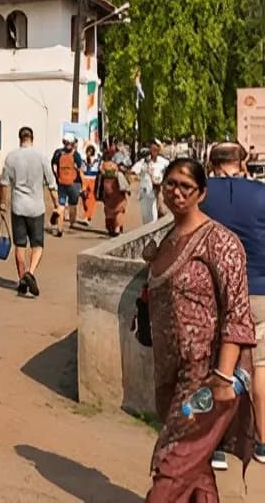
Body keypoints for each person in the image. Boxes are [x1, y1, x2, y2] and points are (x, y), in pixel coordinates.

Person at [143, 158, 256, 501]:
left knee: (171, 463)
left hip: (206, 378)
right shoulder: (168, 238)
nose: (176, 193)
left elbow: (238, 313)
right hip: (172, 374)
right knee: (196, 468)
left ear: (202, 193)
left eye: (185, 186)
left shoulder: (220, 243)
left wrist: (223, 377)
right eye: (170, 185)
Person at [201, 142, 265, 467]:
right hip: (259, 292)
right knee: (261, 368)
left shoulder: (201, 192)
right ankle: (262, 443)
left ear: (211, 163)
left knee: (216, 367)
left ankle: (216, 448)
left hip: (216, 293)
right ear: (244, 163)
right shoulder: (261, 194)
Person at [0, 126, 57, 297]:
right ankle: (30, 272)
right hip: (36, 207)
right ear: (32, 138)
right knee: (37, 245)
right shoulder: (41, 157)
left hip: (18, 206)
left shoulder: (11, 157)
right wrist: (57, 205)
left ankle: (22, 278)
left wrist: (3, 204)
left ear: (20, 139)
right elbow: (51, 183)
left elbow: (4, 183)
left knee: (20, 245)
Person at [50, 134, 84, 234]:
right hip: (74, 182)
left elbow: (53, 165)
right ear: (73, 143)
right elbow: (80, 169)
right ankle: (72, 223)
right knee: (73, 204)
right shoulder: (76, 155)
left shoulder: (58, 153)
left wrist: (56, 176)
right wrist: (83, 183)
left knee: (61, 204)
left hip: (61, 182)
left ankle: (60, 228)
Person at [132, 141, 170, 224]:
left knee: (162, 212)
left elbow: (170, 172)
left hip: (160, 190)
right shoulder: (144, 162)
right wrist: (140, 178)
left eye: (156, 150)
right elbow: (133, 172)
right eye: (152, 149)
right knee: (149, 217)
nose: (154, 152)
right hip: (147, 192)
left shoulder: (164, 162)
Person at [99, 147, 131, 237]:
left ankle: (110, 228)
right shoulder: (116, 165)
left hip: (107, 190)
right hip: (117, 189)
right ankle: (117, 229)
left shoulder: (102, 166)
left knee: (109, 209)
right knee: (119, 209)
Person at [80, 143, 101, 227]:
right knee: (87, 198)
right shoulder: (84, 160)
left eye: (90, 151)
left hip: (89, 179)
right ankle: (87, 215)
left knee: (89, 198)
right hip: (88, 179)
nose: (89, 152)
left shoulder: (96, 160)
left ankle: (87, 216)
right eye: (89, 151)